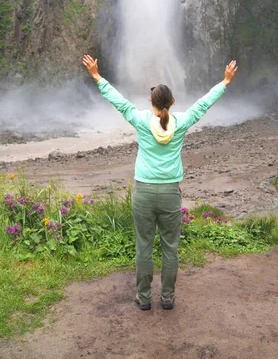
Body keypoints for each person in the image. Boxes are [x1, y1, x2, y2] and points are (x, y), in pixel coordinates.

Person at [82, 55, 238, 311]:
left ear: (151, 103)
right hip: (169, 194)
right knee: (170, 248)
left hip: (144, 192)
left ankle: (144, 298)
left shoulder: (141, 120)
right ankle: (167, 298)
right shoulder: (180, 123)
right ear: (172, 102)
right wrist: (225, 82)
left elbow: (119, 102)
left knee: (144, 247)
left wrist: (96, 76)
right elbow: (202, 105)